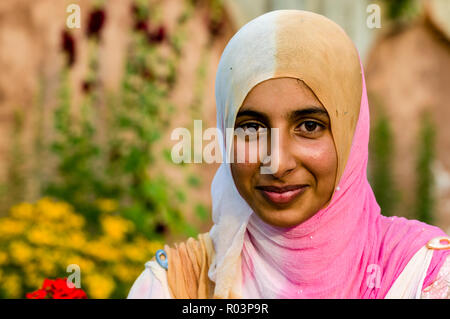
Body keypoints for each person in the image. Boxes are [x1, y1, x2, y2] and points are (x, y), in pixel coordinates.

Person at [127, 9, 450, 299]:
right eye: (251, 128)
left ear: (351, 131)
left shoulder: (420, 276)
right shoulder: (175, 286)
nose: (277, 163)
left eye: (309, 126)